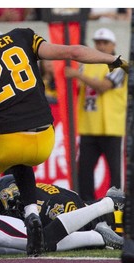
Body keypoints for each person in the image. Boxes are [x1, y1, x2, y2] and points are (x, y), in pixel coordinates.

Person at [0, 14, 128, 257]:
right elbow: (73, 52)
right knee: (22, 162)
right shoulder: (21, 36)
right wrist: (113, 59)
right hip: (44, 136)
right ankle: (31, 214)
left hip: (10, 141)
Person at [65, 28, 128, 202]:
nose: (101, 46)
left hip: (111, 128)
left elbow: (103, 86)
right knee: (84, 172)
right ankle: (87, 205)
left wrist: (78, 75)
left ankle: (118, 207)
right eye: (98, 43)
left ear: (113, 45)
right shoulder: (87, 66)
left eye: (105, 43)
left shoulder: (121, 65)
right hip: (89, 127)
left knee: (116, 173)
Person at [0, 174, 124, 236]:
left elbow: (50, 240)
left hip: (111, 218)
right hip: (93, 207)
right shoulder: (35, 195)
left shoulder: (45, 207)